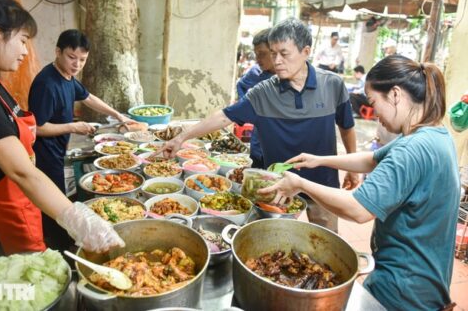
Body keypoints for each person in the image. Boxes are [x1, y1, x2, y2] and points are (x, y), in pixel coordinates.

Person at [260, 55, 460, 311]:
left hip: (402, 290)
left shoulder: (411, 149)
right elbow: (374, 159)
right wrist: (319, 160)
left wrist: (301, 184)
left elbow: (358, 209)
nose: (375, 113)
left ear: (396, 94)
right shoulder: (433, 135)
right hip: (428, 283)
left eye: (374, 102)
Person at [0, 0, 124, 258]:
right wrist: (78, 219)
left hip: (18, 202)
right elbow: (21, 172)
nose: (25, 51)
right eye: (22, 40)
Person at [161, 17, 359, 232]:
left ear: (306, 51)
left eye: (284, 53)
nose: (277, 61)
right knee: (276, 243)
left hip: (323, 185)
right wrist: (181, 137)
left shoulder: (332, 84)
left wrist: (351, 165)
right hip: (277, 187)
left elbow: (346, 126)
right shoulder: (263, 92)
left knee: (326, 244)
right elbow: (224, 117)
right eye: (273, 53)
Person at [28, 29, 136, 251]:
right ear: (58, 52)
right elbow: (37, 127)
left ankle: (62, 241)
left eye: (82, 60)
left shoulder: (67, 77)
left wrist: (118, 115)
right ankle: (59, 249)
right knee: (54, 205)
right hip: (45, 155)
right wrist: (73, 127)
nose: (76, 64)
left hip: (59, 150)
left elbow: (88, 98)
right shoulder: (47, 83)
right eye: (71, 57)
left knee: (62, 199)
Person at [236, 28, 275, 168]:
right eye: (256, 54)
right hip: (258, 145)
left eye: (262, 54)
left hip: (279, 150)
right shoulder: (256, 72)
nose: (258, 59)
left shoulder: (287, 77)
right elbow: (241, 85)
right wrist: (248, 106)